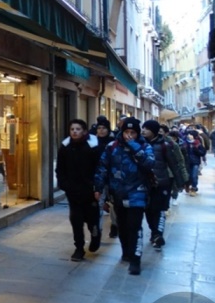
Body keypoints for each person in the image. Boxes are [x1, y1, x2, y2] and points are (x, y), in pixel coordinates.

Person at [94, 117, 155, 275]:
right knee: (122, 225)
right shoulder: (112, 146)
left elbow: (149, 163)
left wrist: (133, 145)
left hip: (138, 192)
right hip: (118, 193)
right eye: (126, 132)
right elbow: (102, 167)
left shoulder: (144, 146)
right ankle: (126, 252)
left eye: (132, 132)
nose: (129, 135)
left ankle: (135, 259)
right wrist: (98, 187)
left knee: (135, 226)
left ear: (137, 133)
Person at [56, 119, 101, 261]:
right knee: (76, 220)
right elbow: (60, 168)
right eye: (72, 129)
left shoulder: (93, 147)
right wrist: (64, 184)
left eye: (78, 129)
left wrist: (97, 186)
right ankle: (79, 248)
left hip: (90, 191)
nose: (74, 132)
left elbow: (100, 168)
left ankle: (95, 234)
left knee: (91, 219)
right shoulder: (65, 147)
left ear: (84, 131)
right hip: (73, 191)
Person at [141, 120, 188, 251]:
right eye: (143, 128)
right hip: (145, 183)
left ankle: (158, 234)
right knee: (148, 210)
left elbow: (174, 164)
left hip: (162, 183)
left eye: (147, 129)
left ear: (154, 131)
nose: (143, 131)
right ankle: (154, 232)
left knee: (159, 209)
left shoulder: (165, 145)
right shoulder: (140, 144)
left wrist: (180, 182)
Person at [92, 116, 118, 238]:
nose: (101, 130)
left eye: (104, 128)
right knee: (98, 204)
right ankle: (97, 231)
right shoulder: (92, 143)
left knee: (113, 204)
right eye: (99, 128)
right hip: (98, 179)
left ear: (108, 129)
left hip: (112, 178)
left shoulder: (114, 143)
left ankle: (115, 225)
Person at [181, 131, 206, 195]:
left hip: (195, 162)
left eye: (190, 134)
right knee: (188, 176)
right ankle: (187, 186)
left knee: (194, 176)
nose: (189, 135)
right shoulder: (185, 143)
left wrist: (197, 151)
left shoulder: (198, 144)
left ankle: (194, 188)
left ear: (194, 136)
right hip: (187, 162)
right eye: (188, 134)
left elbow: (203, 153)